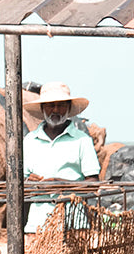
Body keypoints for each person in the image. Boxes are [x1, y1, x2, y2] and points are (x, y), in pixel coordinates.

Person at [22, 82, 100, 233]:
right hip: (37, 224)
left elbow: (94, 183)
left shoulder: (82, 140)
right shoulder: (30, 140)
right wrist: (28, 182)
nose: (56, 110)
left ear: (69, 108)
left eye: (61, 105)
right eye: (50, 105)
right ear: (42, 108)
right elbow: (20, 182)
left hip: (74, 223)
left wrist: (62, 184)